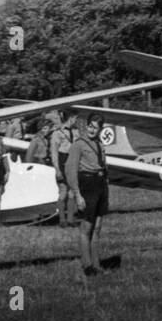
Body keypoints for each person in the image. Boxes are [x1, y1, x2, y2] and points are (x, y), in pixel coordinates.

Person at [65, 118, 109, 276]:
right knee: (86, 227)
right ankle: (87, 265)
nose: (92, 129)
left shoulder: (99, 144)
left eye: (95, 127)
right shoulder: (78, 144)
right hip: (87, 184)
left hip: (100, 184)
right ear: (86, 126)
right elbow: (70, 170)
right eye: (90, 126)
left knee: (97, 227)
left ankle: (97, 264)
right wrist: (77, 194)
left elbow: (104, 164)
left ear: (100, 129)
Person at [50, 116, 76, 227]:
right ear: (70, 118)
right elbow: (54, 152)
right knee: (63, 191)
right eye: (75, 118)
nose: (76, 120)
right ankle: (62, 219)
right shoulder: (57, 133)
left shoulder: (76, 131)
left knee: (72, 191)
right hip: (62, 161)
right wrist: (57, 169)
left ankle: (70, 219)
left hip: (72, 161)